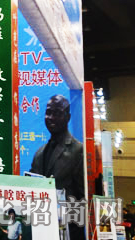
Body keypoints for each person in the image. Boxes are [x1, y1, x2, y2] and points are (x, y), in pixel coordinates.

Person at [30, 95, 84, 239]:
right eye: (48, 112)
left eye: (57, 113)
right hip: (41, 231)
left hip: (69, 232)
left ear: (68, 117)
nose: (51, 117)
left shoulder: (78, 151)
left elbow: (84, 198)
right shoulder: (39, 153)